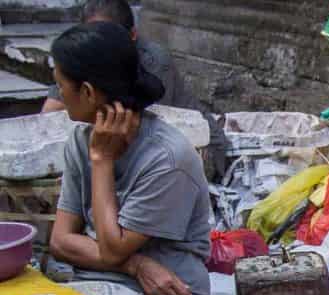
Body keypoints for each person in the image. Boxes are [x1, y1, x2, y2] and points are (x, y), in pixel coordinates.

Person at [48, 21, 213, 295]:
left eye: (60, 85)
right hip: (100, 283)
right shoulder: (81, 140)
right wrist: (137, 264)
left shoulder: (167, 159)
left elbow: (109, 251)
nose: (58, 94)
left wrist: (102, 161)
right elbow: (61, 240)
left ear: (88, 92)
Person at [41, 0, 229, 179]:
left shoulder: (151, 63)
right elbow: (49, 115)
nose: (98, 47)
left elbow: (142, 132)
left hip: (198, 146)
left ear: (132, 36)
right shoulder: (86, 60)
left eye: (107, 38)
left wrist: (99, 162)